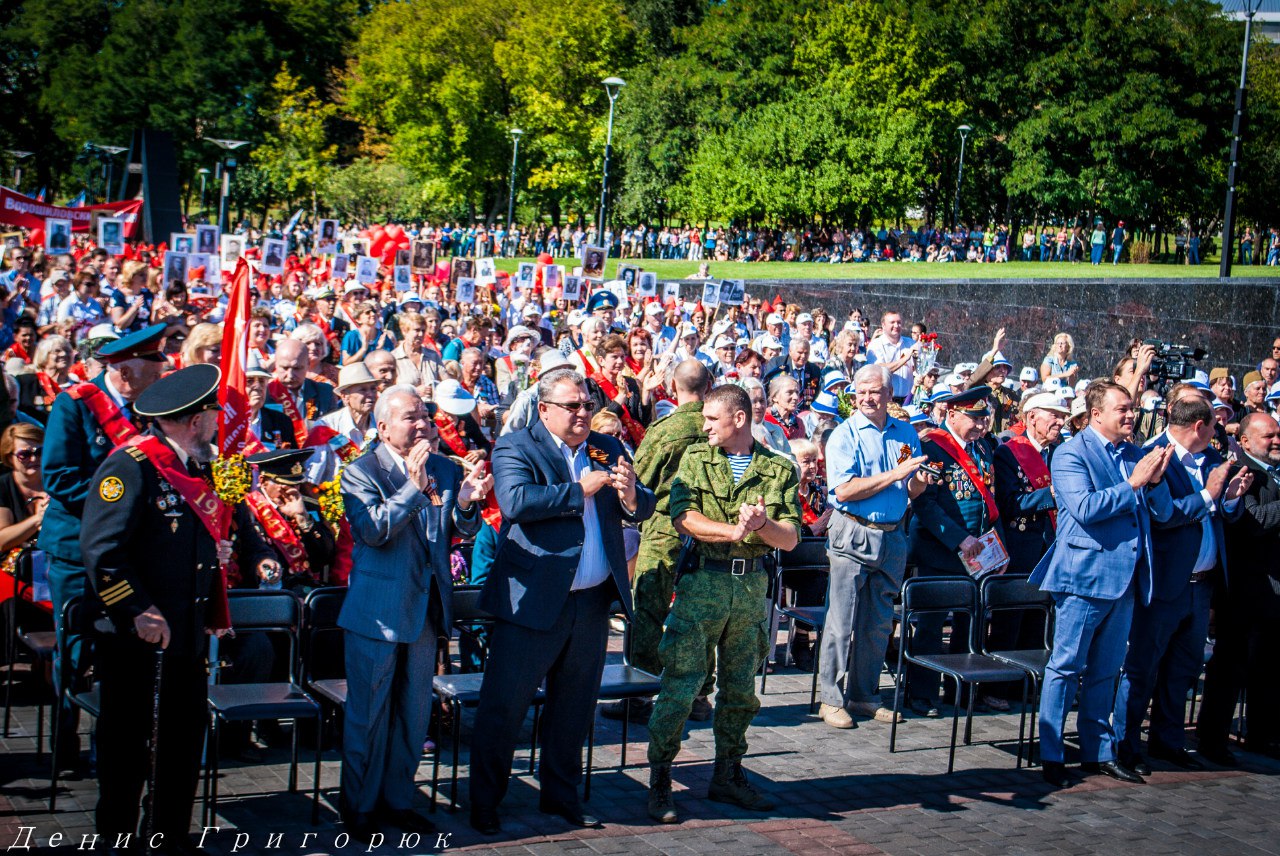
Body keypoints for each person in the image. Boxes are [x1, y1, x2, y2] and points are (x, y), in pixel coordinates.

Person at [81, 364, 274, 853]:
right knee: (127, 749)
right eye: (213, 413)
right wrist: (138, 611)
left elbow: (185, 541)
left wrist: (215, 555)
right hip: (136, 638)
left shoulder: (196, 467)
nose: (216, 423)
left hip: (186, 632)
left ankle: (169, 836)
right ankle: (118, 838)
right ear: (194, 419)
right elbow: (103, 553)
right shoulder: (131, 465)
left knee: (180, 747)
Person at [468, 367, 656, 835]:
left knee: (573, 708)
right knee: (505, 708)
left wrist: (633, 496)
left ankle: (561, 796)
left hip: (590, 602)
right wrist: (580, 489)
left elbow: (645, 504)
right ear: (544, 408)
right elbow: (515, 502)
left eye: (588, 404)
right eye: (572, 406)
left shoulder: (606, 446)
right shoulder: (517, 445)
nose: (583, 413)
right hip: (532, 602)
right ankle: (486, 802)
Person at [337, 386, 489, 843]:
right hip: (377, 615)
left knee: (412, 714)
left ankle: (399, 802)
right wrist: (411, 487)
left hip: (425, 611)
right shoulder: (360, 473)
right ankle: (360, 808)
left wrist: (466, 503)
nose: (422, 424)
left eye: (425, 416)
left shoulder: (443, 466)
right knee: (369, 715)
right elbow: (374, 531)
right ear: (383, 427)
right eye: (411, 417)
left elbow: (460, 532)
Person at [644, 383, 800, 824]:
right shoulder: (695, 459)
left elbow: (789, 538)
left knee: (740, 690)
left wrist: (763, 524)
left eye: (712, 419)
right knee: (681, 683)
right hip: (703, 585)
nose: (704, 425)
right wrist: (732, 531)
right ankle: (660, 778)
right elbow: (683, 517)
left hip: (750, 590)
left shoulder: (778, 470)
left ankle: (728, 774)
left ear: (740, 419)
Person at [1030, 380, 1176, 788]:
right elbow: (1085, 508)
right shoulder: (1071, 452)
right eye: (1122, 409)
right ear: (1096, 415)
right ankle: (1053, 754)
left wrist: (1157, 479)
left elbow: (1161, 513)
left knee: (1106, 671)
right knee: (1066, 667)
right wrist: (1133, 484)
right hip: (1084, 578)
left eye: (1132, 409)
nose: (1131, 415)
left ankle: (1098, 752)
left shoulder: (1135, 454)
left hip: (1125, 580)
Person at [40, 323, 167, 769]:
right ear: (127, 371)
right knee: (75, 650)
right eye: (153, 373)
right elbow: (57, 478)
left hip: (126, 553)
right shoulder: (73, 405)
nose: (158, 383)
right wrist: (117, 511)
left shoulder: (146, 409)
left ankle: (110, 745)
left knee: (121, 650)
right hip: (76, 549)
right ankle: (64, 741)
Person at [1113, 395, 1251, 776]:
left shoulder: (1211, 462)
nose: (1217, 435)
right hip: (1165, 585)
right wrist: (1209, 493)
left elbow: (1218, 514)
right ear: (1199, 427)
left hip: (1201, 585)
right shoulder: (1155, 456)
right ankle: (1125, 745)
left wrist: (1230, 500)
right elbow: (1164, 516)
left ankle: (1168, 740)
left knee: (1183, 669)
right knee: (1143, 667)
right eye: (1214, 427)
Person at [818, 364, 932, 728]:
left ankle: (865, 695)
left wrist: (919, 482)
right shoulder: (843, 434)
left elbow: (909, 487)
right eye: (861, 392)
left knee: (878, 623)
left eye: (875, 391)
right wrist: (896, 476)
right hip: (853, 532)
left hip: (893, 536)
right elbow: (845, 489)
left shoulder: (905, 432)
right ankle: (831, 700)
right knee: (841, 622)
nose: (867, 398)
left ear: (889, 395)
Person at [602, 360, 713, 725]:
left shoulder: (668, 428)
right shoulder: (720, 425)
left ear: (671, 385)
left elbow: (640, 479)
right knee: (698, 614)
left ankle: (636, 697)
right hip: (710, 529)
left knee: (648, 612)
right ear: (710, 385)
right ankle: (698, 696)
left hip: (665, 528)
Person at [907, 386, 1005, 715]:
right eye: (974, 418)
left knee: (970, 625)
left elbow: (991, 503)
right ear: (952, 415)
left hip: (977, 553)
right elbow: (925, 505)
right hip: (940, 551)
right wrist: (958, 538)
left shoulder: (983, 449)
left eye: (983, 418)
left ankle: (960, 691)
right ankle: (920, 693)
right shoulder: (932, 447)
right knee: (932, 628)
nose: (980, 425)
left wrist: (999, 550)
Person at [1198, 412, 1280, 762]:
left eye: (1278, 434)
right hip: (1244, 592)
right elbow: (1253, 521)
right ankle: (1212, 742)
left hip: (1274, 592)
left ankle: (1263, 736)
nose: (1277, 440)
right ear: (1244, 440)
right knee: (1230, 669)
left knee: (1270, 668)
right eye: (1268, 436)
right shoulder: (1237, 472)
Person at [993, 392, 1068, 574]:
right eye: (1054, 415)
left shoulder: (1062, 453)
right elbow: (1010, 503)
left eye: (1063, 417)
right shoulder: (1008, 453)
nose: (1061, 422)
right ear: (1032, 417)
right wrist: (1051, 493)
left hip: (1058, 547)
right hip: (1023, 549)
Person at [865, 312, 917, 402]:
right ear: (883, 325)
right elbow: (880, 370)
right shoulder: (875, 345)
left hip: (908, 399)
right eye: (892, 322)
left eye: (899, 322)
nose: (896, 325)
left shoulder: (911, 343)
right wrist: (905, 358)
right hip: (886, 400)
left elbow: (918, 369)